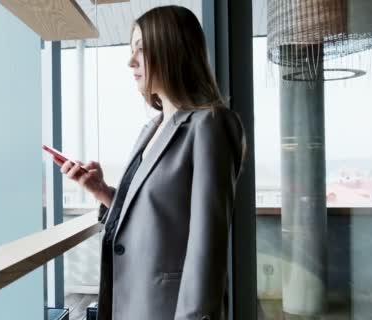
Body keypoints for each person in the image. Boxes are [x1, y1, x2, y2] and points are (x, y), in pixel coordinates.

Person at [53, 5, 246, 320]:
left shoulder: (210, 124)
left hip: (168, 309)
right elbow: (153, 216)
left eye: (141, 50)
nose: (131, 61)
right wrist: (101, 190)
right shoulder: (151, 129)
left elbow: (206, 245)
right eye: (132, 50)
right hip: (131, 303)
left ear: (172, 49)